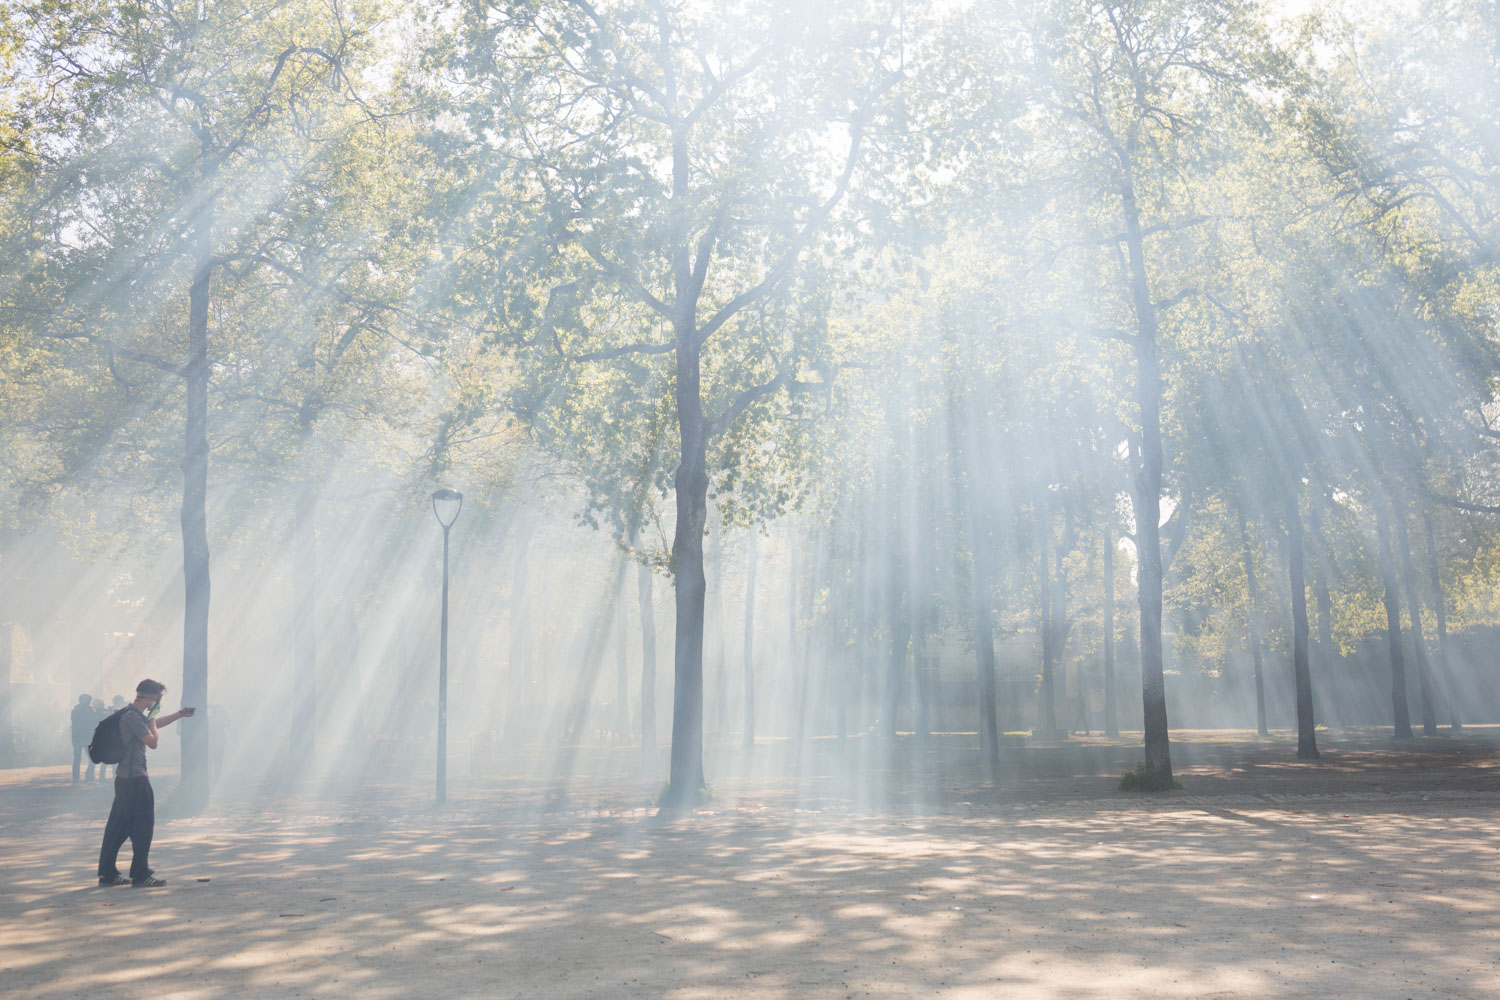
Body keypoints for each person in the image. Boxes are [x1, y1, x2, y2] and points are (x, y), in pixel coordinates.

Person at [97, 679, 194, 887]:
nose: (159, 701)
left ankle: (107, 873)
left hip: (125, 779)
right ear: (150, 697)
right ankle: (140, 874)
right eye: (158, 698)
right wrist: (152, 718)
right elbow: (153, 742)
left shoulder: (129, 713)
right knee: (143, 826)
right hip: (135, 779)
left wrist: (179, 714)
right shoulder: (134, 717)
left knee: (118, 826)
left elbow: (153, 725)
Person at [71, 695, 98, 783]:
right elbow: (94, 722)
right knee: (91, 757)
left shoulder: (75, 710)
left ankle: (76, 777)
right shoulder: (90, 710)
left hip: (77, 736)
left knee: (77, 758)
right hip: (87, 737)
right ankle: (89, 774)